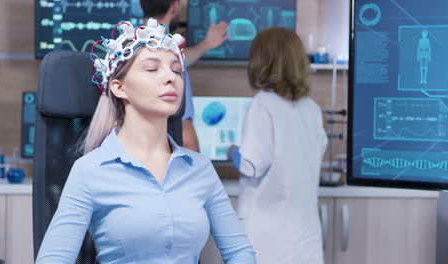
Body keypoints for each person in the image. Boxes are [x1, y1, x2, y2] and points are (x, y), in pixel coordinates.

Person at [35, 20, 255, 264]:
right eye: (152, 69)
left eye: (176, 70)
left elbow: (240, 253)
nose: (170, 78)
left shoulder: (199, 169)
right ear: (119, 87)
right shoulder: (90, 171)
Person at [227, 27, 328, 264]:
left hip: (268, 236)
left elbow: (252, 165)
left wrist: (232, 153)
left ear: (261, 62)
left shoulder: (263, 104)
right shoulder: (310, 108)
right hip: (304, 234)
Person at [140, 0, 230, 152]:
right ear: (175, 6)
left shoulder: (129, 53)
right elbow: (185, 137)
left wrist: (206, 44)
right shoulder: (173, 66)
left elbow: (181, 57)